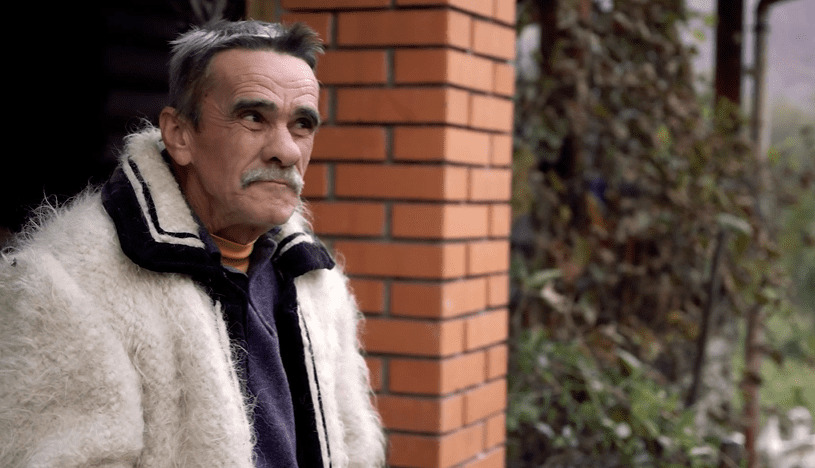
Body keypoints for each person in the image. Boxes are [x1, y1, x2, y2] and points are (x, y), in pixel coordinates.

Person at [0, 20, 385, 467]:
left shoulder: (315, 279)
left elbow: (354, 449)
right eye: (253, 117)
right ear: (180, 135)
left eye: (302, 124)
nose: (287, 150)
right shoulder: (67, 284)